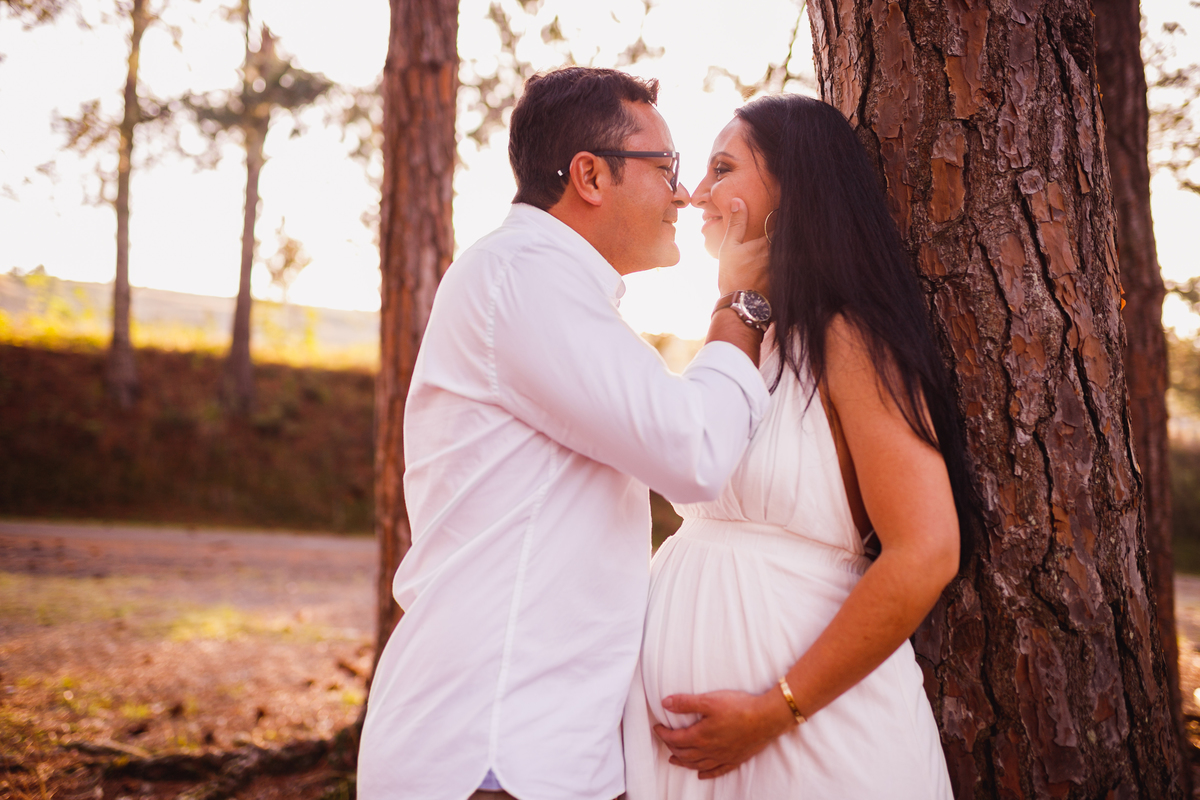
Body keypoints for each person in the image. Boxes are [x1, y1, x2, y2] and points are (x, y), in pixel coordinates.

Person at [357, 67, 778, 800]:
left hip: (539, 751)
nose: (684, 193)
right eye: (666, 167)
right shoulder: (523, 276)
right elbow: (695, 451)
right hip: (495, 753)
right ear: (590, 175)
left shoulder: (541, 283)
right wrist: (741, 303)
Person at [623, 94, 975, 799]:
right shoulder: (739, 342)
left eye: (723, 169)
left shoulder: (847, 338)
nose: (695, 193)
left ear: (794, 190)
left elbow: (927, 550)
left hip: (817, 746)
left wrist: (774, 710)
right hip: (691, 765)